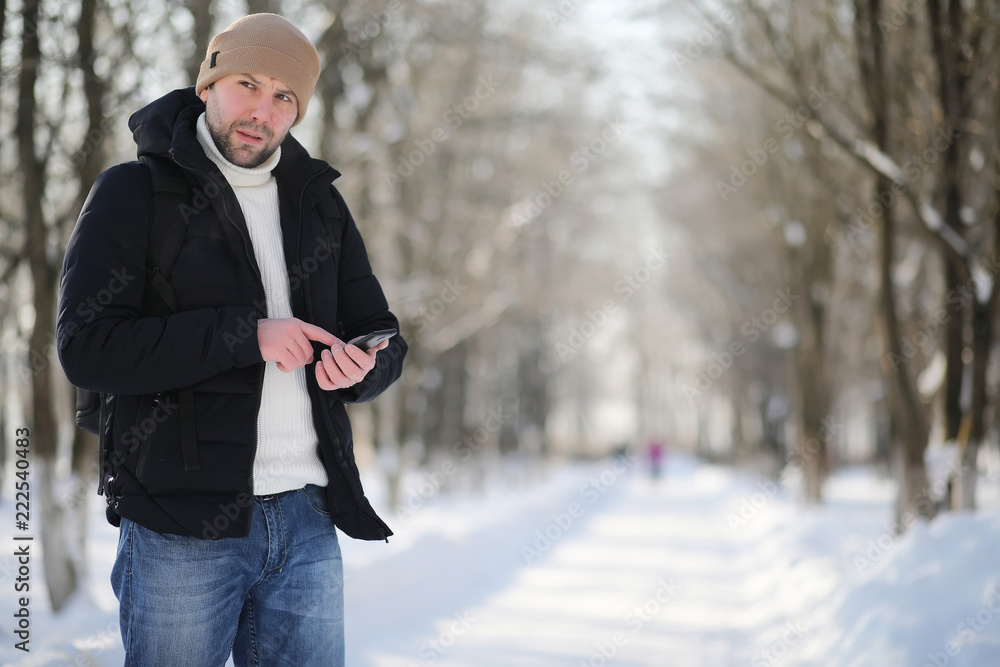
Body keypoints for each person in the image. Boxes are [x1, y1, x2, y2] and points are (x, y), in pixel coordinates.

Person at [56, 13, 406, 666]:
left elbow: (382, 337)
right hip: (179, 525)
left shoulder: (318, 205)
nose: (262, 109)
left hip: (307, 520)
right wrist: (246, 335)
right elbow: (89, 347)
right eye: (248, 82)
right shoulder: (134, 193)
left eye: (284, 96)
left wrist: (360, 368)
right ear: (208, 83)